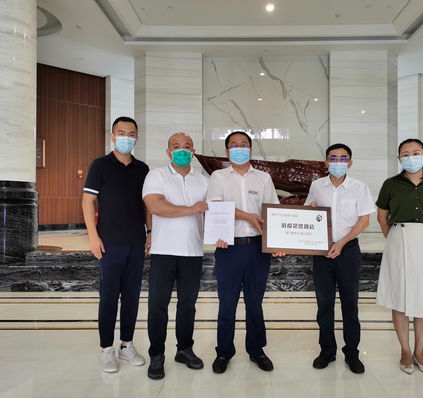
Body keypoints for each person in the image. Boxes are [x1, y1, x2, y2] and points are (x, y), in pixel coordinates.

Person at [206, 131, 282, 374]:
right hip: (228, 248)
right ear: (227, 151)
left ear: (251, 149)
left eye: (244, 145)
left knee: (255, 304)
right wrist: (247, 216)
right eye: (234, 145)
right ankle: (223, 352)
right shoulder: (218, 176)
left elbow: (273, 211)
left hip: (258, 249)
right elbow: (215, 206)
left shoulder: (263, 178)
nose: (239, 148)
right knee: (227, 304)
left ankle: (257, 350)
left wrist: (278, 241)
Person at [82, 116, 151, 373]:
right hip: (109, 243)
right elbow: (87, 201)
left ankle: (126, 345)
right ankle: (106, 349)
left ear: (136, 138)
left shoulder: (143, 169)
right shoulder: (100, 165)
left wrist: (150, 231)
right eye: (121, 133)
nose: (126, 138)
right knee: (109, 296)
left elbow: (147, 204)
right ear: (112, 137)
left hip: (136, 241)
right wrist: (93, 236)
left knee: (132, 296)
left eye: (131, 134)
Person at [376, 138, 423, 376]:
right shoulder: (390, 184)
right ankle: (405, 351)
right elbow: (382, 217)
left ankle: (420, 351)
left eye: (416, 153)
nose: (411, 157)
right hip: (398, 238)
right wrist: (396, 239)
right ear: (399, 158)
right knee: (399, 296)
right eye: (405, 154)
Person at [142, 132, 209, 380]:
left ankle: (184, 350)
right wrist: (191, 209)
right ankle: (156, 355)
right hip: (163, 250)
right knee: (157, 306)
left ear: (193, 151)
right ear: (168, 151)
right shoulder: (157, 175)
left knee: (188, 305)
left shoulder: (204, 182)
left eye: (187, 146)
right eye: (176, 146)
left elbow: (215, 212)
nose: (182, 150)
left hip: (193, 251)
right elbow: (155, 206)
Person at [304, 143, 376, 374]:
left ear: (350, 163)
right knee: (324, 305)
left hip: (348, 252)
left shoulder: (359, 187)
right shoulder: (317, 186)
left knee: (350, 304)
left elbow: (364, 221)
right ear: (326, 162)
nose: (338, 162)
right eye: (333, 158)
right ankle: (327, 351)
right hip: (322, 253)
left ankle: (352, 353)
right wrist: (312, 208)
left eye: (343, 158)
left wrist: (341, 243)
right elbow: (308, 212)